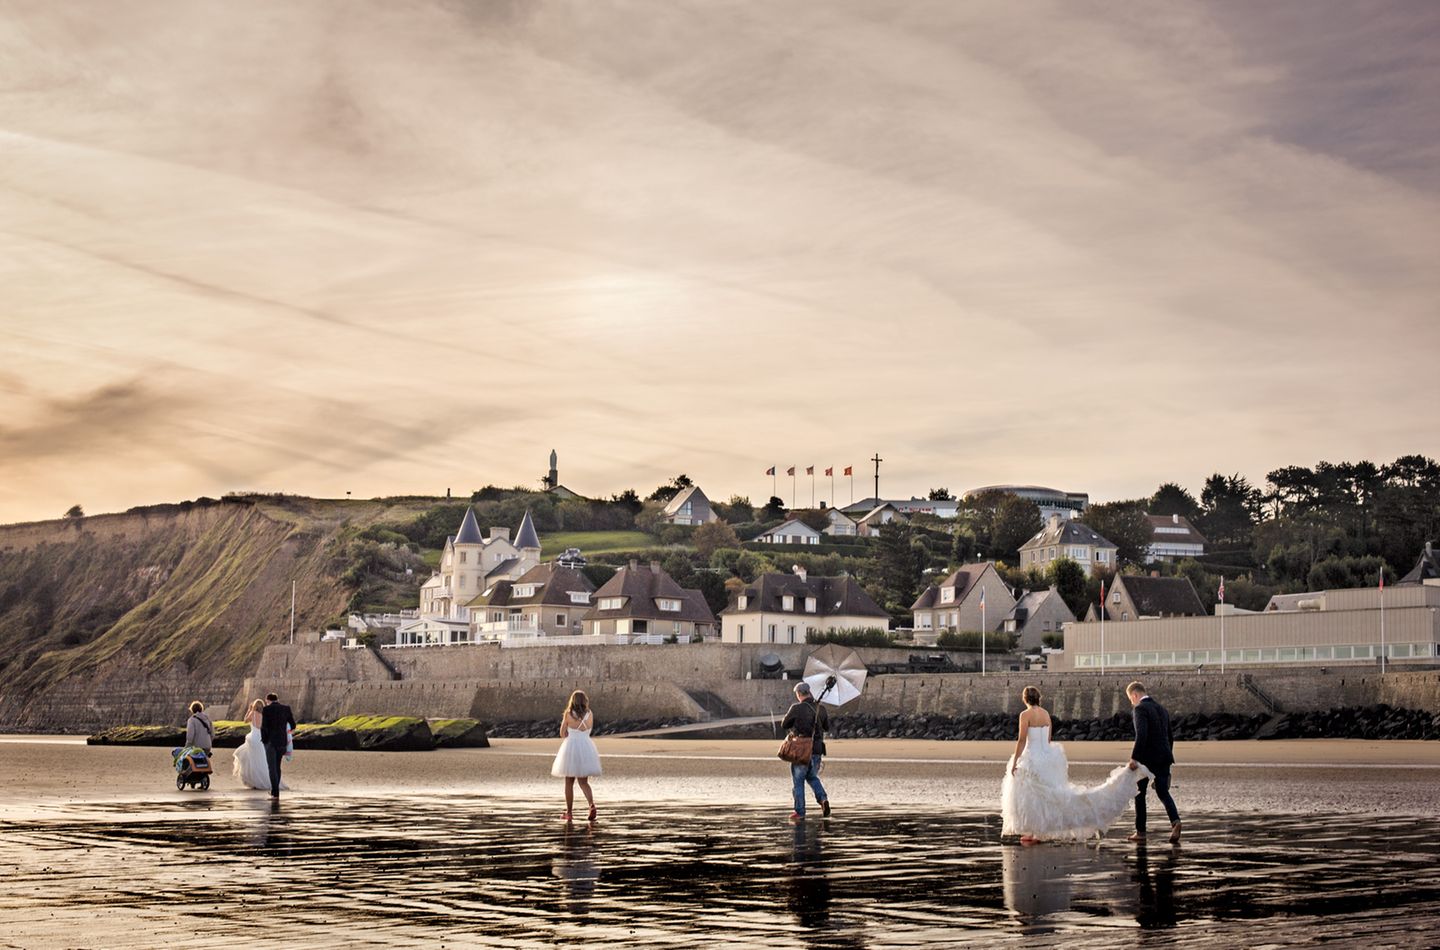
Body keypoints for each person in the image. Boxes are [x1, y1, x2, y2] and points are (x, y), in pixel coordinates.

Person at [1001, 685, 1151, 843]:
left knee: (1033, 796)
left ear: (1025, 699)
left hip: (1032, 757)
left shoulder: (1025, 714)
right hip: (1048, 757)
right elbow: (1048, 739)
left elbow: (1022, 739)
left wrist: (1016, 760)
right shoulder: (1045, 714)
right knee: (1049, 795)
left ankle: (1033, 831)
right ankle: (1039, 831)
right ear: (1039, 698)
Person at [1126, 681, 1181, 843]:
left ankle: (1141, 832)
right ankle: (1175, 821)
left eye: (1131, 699)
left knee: (1139, 793)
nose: (1132, 702)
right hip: (1164, 756)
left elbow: (1141, 735)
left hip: (1147, 759)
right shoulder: (1162, 709)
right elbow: (1170, 737)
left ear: (1135, 695)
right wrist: (1168, 755)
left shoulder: (1140, 709)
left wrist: (1134, 758)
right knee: (1163, 792)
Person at [780, 681, 830, 820]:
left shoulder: (796, 708)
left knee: (798, 781)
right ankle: (823, 799)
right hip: (817, 750)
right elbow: (826, 727)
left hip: (801, 749)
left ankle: (800, 812)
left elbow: (784, 724)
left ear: (799, 694)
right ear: (809, 692)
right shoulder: (821, 709)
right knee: (812, 777)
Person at [550, 690, 601, 822]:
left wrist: (570, 733)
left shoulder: (568, 714)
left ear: (572, 701)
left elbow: (562, 733)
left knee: (569, 782)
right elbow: (589, 730)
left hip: (571, 748)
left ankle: (569, 812)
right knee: (584, 782)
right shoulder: (590, 714)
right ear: (585, 701)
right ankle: (591, 805)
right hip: (586, 747)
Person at [233, 699, 283, 791]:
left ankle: (254, 780)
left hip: (253, 738)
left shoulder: (252, 713)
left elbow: (245, 721)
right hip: (261, 738)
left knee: (250, 760)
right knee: (261, 760)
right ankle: (267, 780)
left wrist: (249, 710)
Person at [259, 692, 296, 800]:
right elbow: (293, 725)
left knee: (272, 768)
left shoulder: (266, 710)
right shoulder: (286, 709)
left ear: (268, 700)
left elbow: (264, 727)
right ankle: (276, 791)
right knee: (277, 766)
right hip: (282, 742)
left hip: (270, 742)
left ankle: (275, 793)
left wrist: (264, 740)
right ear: (277, 699)